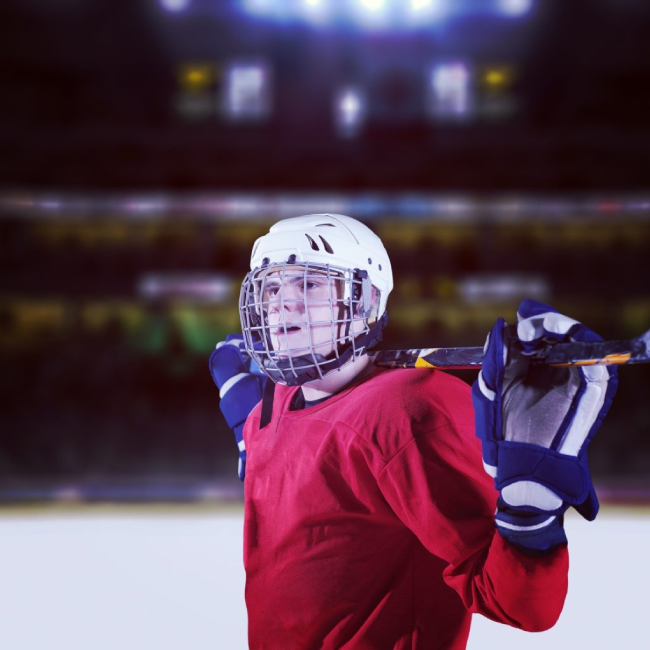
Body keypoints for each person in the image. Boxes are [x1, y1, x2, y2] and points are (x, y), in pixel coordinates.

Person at [209, 213, 618, 650]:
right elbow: (309, 463)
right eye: (271, 287)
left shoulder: (408, 409)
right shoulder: (275, 404)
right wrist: (247, 426)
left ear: (365, 302)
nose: (281, 303)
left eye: (308, 285)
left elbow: (523, 605)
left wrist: (530, 509)